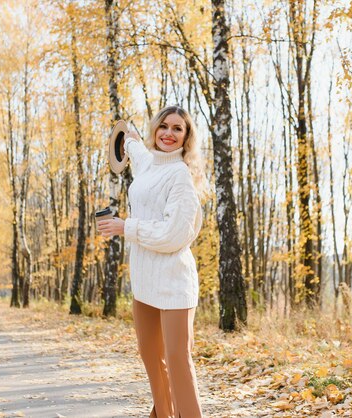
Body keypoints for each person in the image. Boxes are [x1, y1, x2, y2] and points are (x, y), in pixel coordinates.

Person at [98, 106, 205, 418]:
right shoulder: (149, 164)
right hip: (144, 283)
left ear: (186, 138)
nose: (168, 134)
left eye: (177, 129)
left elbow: (174, 235)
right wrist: (129, 138)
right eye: (164, 127)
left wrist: (125, 227)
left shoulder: (181, 177)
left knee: (177, 362)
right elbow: (137, 152)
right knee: (151, 360)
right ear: (155, 130)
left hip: (174, 283)